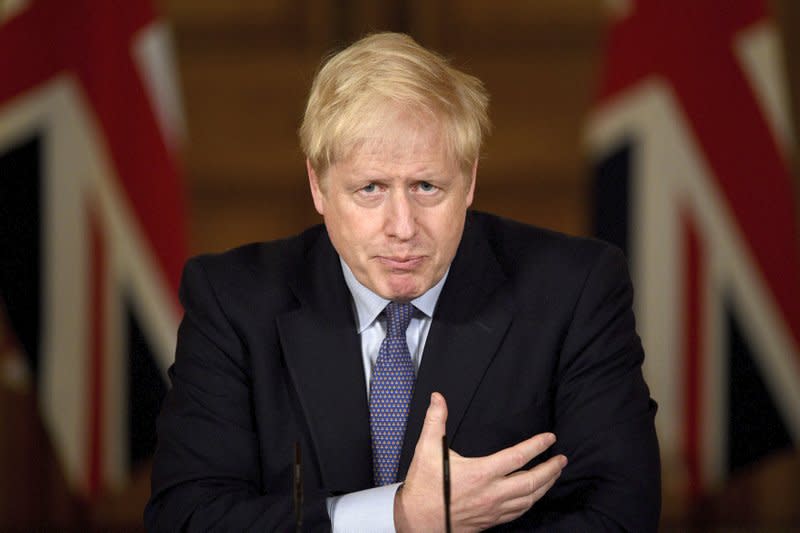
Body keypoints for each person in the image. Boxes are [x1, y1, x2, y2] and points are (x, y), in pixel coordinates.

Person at [145, 32, 660, 532]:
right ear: (318, 186)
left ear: (470, 179)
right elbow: (187, 517)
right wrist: (400, 519)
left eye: (427, 186)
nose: (403, 227)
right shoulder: (233, 300)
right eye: (370, 189)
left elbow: (621, 515)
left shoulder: (576, 289)